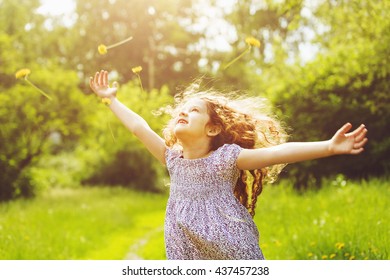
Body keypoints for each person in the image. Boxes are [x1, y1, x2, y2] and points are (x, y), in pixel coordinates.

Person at [89, 70, 368, 260]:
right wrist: (111, 99)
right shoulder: (172, 159)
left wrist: (329, 147)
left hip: (233, 250)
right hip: (188, 253)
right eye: (182, 110)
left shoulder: (226, 159)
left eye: (194, 110)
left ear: (212, 130)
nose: (183, 111)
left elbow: (280, 152)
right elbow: (139, 127)